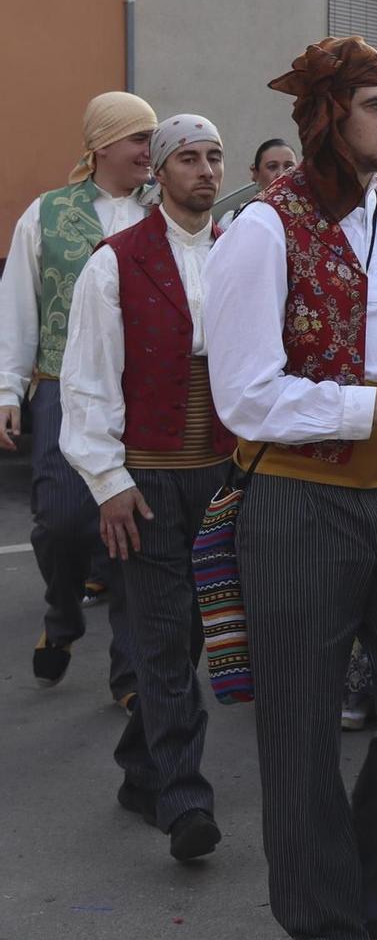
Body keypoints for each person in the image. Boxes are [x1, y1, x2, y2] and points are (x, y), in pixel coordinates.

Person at [206, 36, 377, 940]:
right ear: (328, 116)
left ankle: (358, 885)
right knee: (301, 727)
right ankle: (329, 921)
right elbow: (243, 394)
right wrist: (372, 405)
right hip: (296, 499)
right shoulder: (260, 229)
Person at [60, 115, 231, 863]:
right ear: (159, 171)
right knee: (161, 637)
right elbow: (88, 381)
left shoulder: (240, 253)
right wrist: (108, 480)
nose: (204, 170)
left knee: (191, 634)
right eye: (187, 158)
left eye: (214, 157)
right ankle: (183, 798)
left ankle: (141, 767)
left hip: (225, 472)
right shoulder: (114, 261)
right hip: (150, 472)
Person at [1, 91, 154, 690]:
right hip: (62, 387)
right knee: (62, 524)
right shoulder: (45, 214)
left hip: (140, 393)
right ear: (102, 146)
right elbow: (19, 306)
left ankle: (129, 674)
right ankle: (62, 614)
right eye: (139, 138)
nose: (149, 150)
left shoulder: (159, 214)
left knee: (134, 533)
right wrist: (8, 391)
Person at [220, 138, 301, 230]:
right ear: (256, 173)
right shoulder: (233, 221)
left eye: (289, 166)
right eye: (272, 167)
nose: (281, 173)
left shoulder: (314, 218)